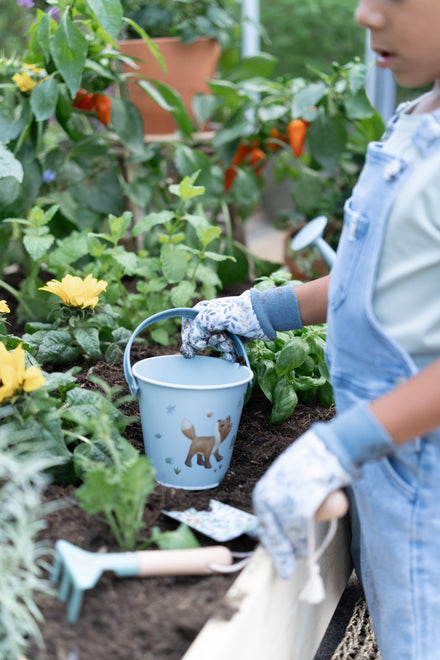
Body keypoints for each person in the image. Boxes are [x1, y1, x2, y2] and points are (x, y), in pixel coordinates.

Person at [180, 0, 440, 657]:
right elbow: (369, 281)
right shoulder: (420, 119)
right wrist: (260, 310)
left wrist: (336, 447)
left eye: (395, 0)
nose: (364, 16)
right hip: (391, 449)